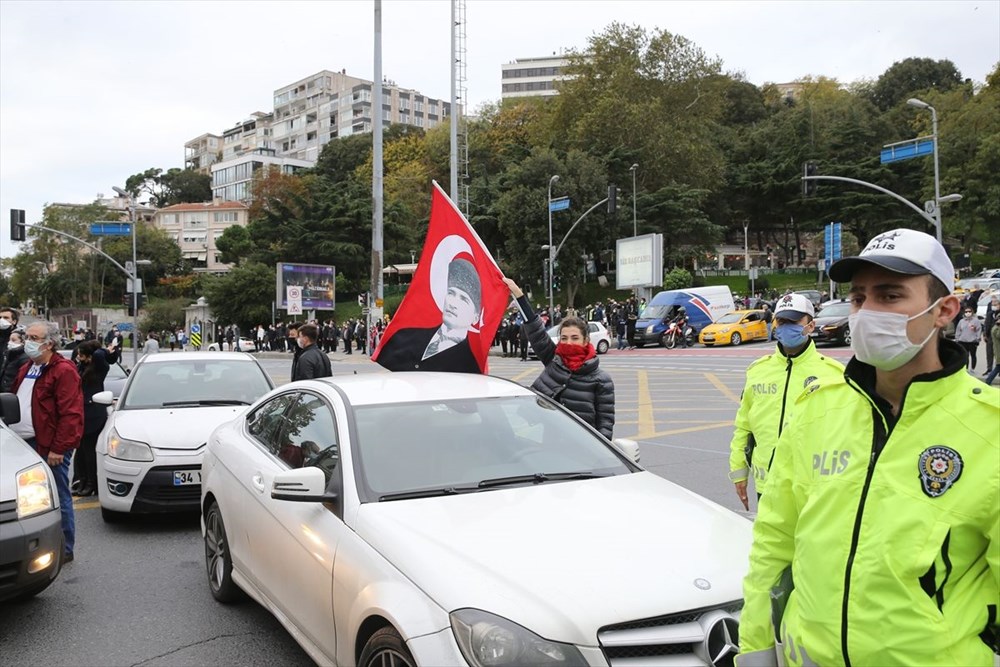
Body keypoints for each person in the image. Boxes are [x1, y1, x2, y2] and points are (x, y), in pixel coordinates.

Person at [737, 229, 1000, 666]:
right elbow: (773, 542)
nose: (866, 312)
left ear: (945, 310)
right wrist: (755, 644)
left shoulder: (989, 428)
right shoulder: (817, 409)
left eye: (890, 296)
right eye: (859, 298)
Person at [727, 293, 844, 510]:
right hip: (767, 485)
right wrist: (738, 473)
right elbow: (743, 427)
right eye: (781, 321)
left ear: (810, 326)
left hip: (813, 488)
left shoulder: (833, 373)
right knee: (769, 543)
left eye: (793, 321)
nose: (785, 327)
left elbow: (844, 436)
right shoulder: (758, 371)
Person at [10, 321, 84, 564]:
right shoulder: (28, 367)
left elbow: (71, 414)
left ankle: (65, 547)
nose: (27, 341)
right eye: (26, 336)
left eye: (33, 337)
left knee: (58, 496)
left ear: (49, 343)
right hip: (22, 444)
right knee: (29, 500)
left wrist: (58, 448)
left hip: (47, 446)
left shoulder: (64, 370)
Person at [504, 278, 615, 439]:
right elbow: (536, 331)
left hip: (584, 449)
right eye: (564, 338)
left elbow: (605, 424)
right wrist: (518, 295)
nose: (569, 343)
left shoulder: (602, 380)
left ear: (586, 340)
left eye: (575, 338)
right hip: (551, 443)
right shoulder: (554, 360)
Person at [376, 258, 482, 373]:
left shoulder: (470, 364)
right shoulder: (405, 336)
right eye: (451, 293)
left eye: (464, 299)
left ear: (476, 317)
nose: (453, 303)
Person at [71, 339, 112, 497]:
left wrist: (101, 350)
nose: (79, 357)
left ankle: (91, 483)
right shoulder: (81, 367)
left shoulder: (99, 367)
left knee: (90, 451)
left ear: (89, 355)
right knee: (80, 450)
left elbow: (101, 355)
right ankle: (82, 480)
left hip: (94, 414)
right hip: (81, 412)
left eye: (81, 355)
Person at [954, 305, 983, 371]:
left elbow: (979, 330)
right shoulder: (961, 321)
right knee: (965, 356)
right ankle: (966, 369)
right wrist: (957, 338)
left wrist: (977, 339)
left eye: (969, 311)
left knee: (973, 355)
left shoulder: (976, 321)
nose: (968, 313)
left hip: (972, 341)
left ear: (972, 312)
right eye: (966, 312)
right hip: (963, 341)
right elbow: (958, 330)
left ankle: (972, 369)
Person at [983, 293, 999, 377]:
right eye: (993, 303)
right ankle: (989, 369)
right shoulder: (989, 314)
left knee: (998, 353)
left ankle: (998, 370)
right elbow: (986, 323)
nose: (994, 305)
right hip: (989, 336)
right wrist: (985, 334)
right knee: (989, 353)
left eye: (996, 304)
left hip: (998, 336)